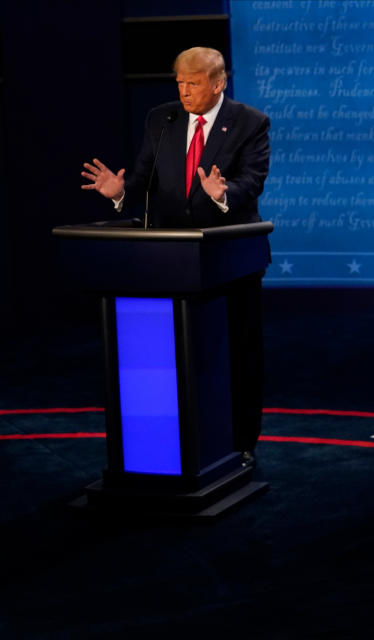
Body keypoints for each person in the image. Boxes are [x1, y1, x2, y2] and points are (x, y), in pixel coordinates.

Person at [81, 46, 271, 467]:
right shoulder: (162, 119)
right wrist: (120, 192)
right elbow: (144, 179)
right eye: (179, 83)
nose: (184, 92)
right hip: (169, 262)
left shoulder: (250, 122)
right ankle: (177, 444)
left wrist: (225, 194)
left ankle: (243, 443)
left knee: (238, 352)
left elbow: (252, 183)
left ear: (218, 83)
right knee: (177, 356)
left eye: (194, 83)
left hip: (230, 258)